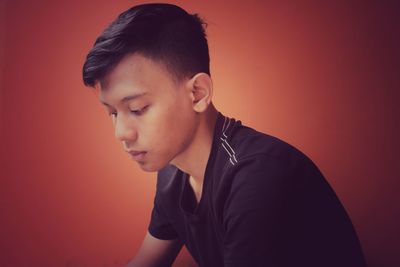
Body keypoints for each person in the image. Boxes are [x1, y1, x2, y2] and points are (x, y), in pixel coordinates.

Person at [82, 3, 366, 267]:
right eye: (113, 113)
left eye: (137, 108)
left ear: (198, 93)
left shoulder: (260, 175)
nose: (122, 133)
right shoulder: (171, 171)